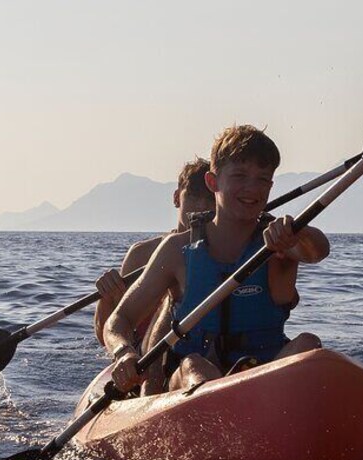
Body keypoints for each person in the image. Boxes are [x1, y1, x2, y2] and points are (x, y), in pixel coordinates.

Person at [105, 125, 329, 395]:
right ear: (213, 182)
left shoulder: (281, 244)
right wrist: (123, 352)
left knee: (308, 343)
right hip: (194, 385)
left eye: (262, 179)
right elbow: (119, 320)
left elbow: (318, 250)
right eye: (240, 176)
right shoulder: (177, 249)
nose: (252, 188)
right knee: (194, 366)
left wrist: (297, 232)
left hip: (267, 379)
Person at [94, 158, 214, 347]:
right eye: (193, 196)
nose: (201, 206)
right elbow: (105, 336)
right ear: (176, 198)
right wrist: (107, 300)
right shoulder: (142, 254)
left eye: (210, 199)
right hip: (144, 357)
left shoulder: (224, 252)